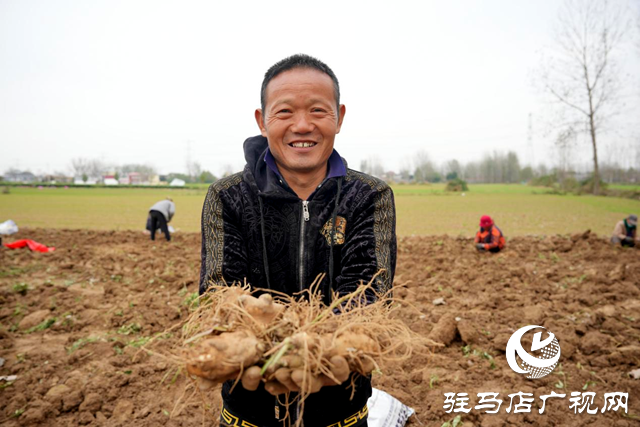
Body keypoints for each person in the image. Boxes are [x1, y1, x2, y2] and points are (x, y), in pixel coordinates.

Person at [199, 54, 397, 427]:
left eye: (318, 111)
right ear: (262, 121)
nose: (302, 126)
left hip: (340, 408)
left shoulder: (369, 196)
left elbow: (369, 294)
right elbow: (218, 291)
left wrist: (317, 351)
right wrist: (258, 344)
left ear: (338, 117)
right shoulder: (227, 196)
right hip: (249, 410)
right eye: (285, 112)